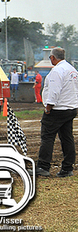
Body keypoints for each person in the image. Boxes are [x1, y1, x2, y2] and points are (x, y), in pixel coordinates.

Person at [35, 47, 78, 177]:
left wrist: (48, 107)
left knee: (47, 137)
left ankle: (43, 166)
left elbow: (54, 90)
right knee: (67, 138)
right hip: (70, 108)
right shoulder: (72, 70)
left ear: (53, 57)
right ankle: (67, 168)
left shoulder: (57, 71)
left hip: (57, 109)